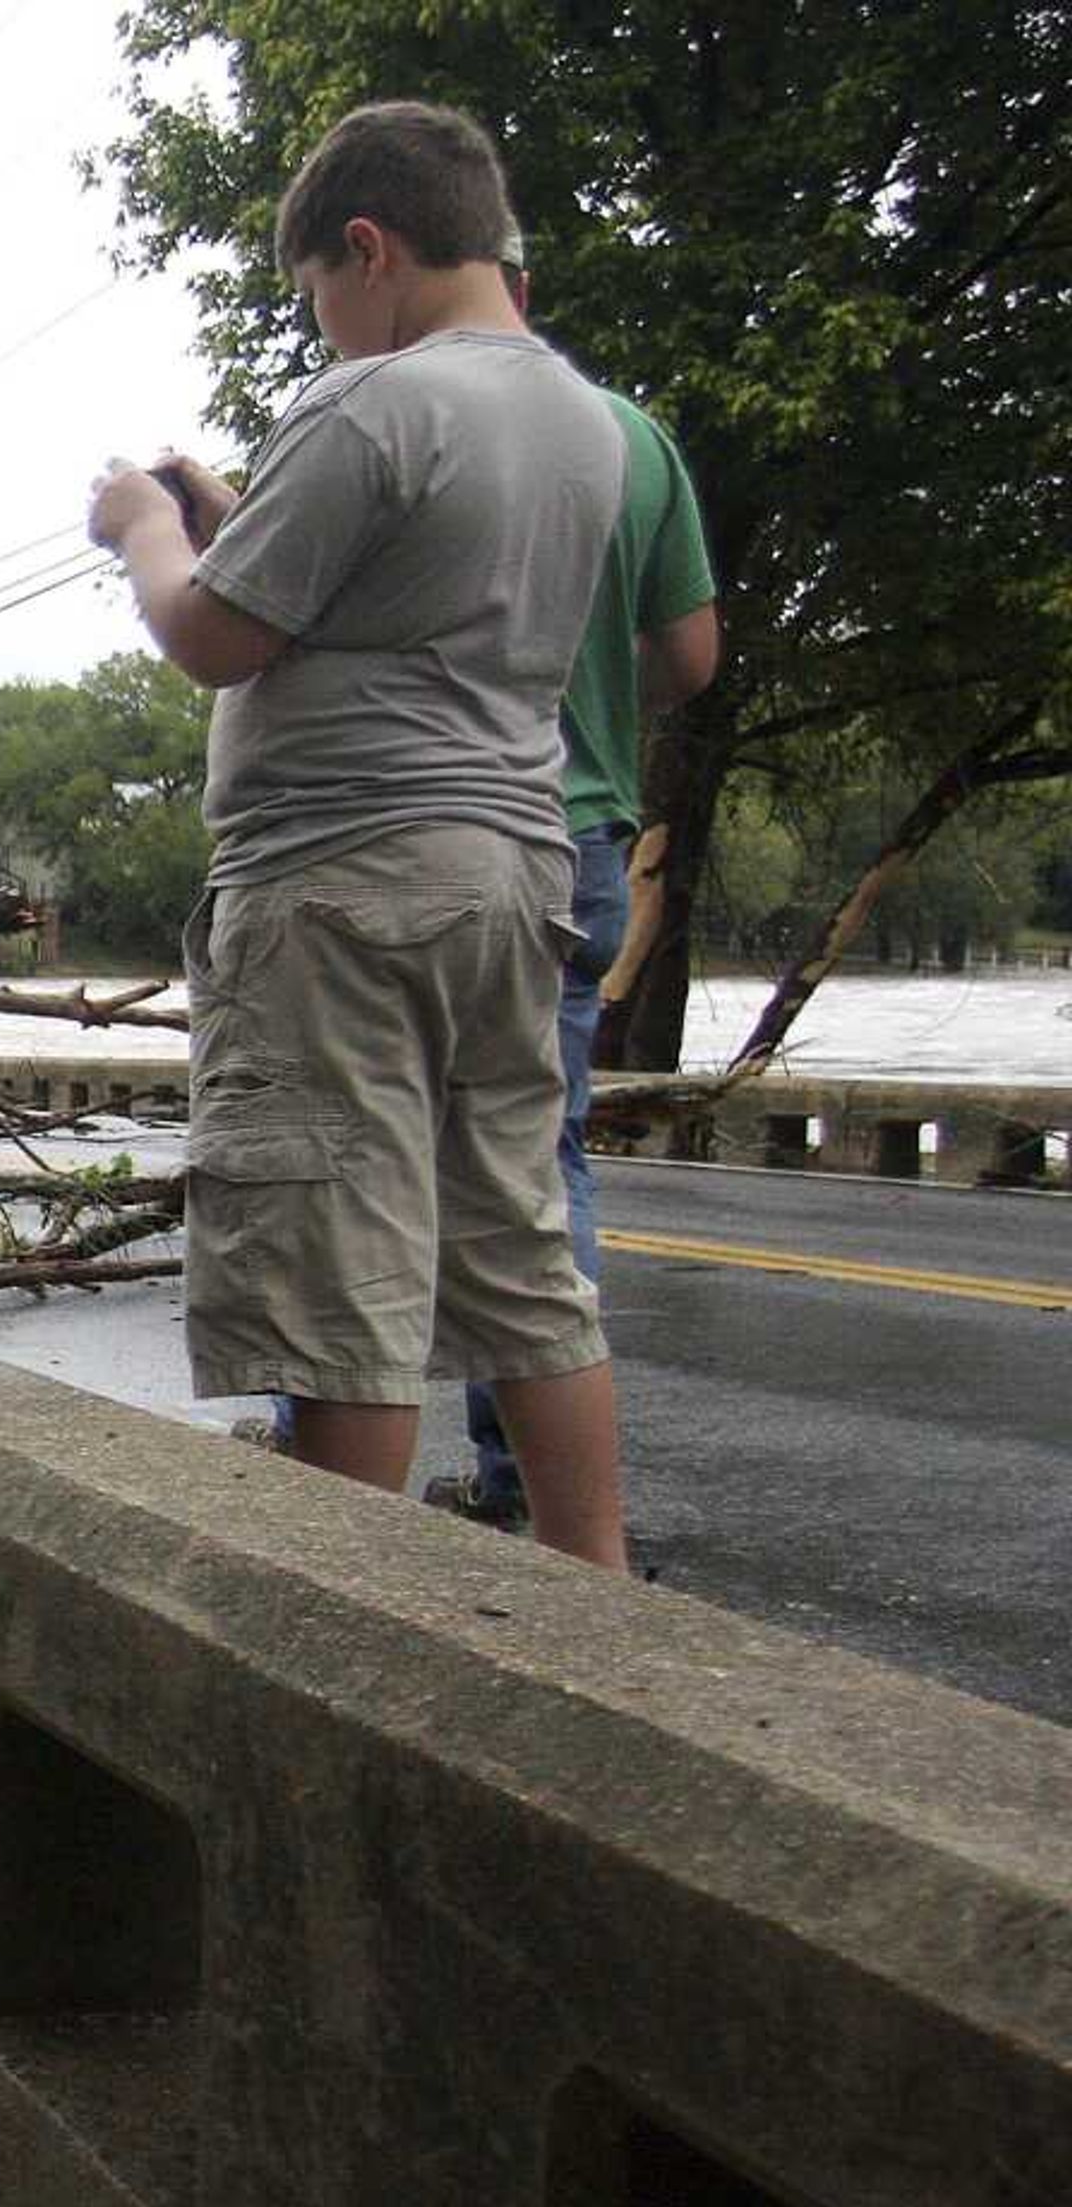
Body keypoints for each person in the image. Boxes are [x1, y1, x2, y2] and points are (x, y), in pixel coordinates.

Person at [87, 100, 635, 1570]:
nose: (324, 323)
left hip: (339, 882)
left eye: (320, 290)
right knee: (518, 1248)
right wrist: (240, 512)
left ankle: (346, 1632)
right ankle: (602, 1594)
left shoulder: (374, 402)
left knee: (339, 1270)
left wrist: (150, 525)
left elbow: (216, 633)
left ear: (371, 248)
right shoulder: (587, 422)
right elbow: (399, 591)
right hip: (510, 873)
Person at [419, 238, 723, 1528]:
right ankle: (527, 1491)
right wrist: (588, 696)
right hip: (584, 834)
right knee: (540, 1163)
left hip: (435, 833)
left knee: (356, 1153)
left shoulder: (412, 426)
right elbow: (691, 658)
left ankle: (318, 1466)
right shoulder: (635, 442)